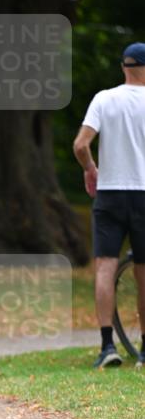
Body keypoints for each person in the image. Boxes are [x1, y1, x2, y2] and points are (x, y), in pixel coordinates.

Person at [73, 42, 145, 368]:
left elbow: (80, 145)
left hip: (111, 192)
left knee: (105, 267)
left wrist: (91, 169)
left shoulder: (104, 98)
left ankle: (107, 346)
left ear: (123, 67)